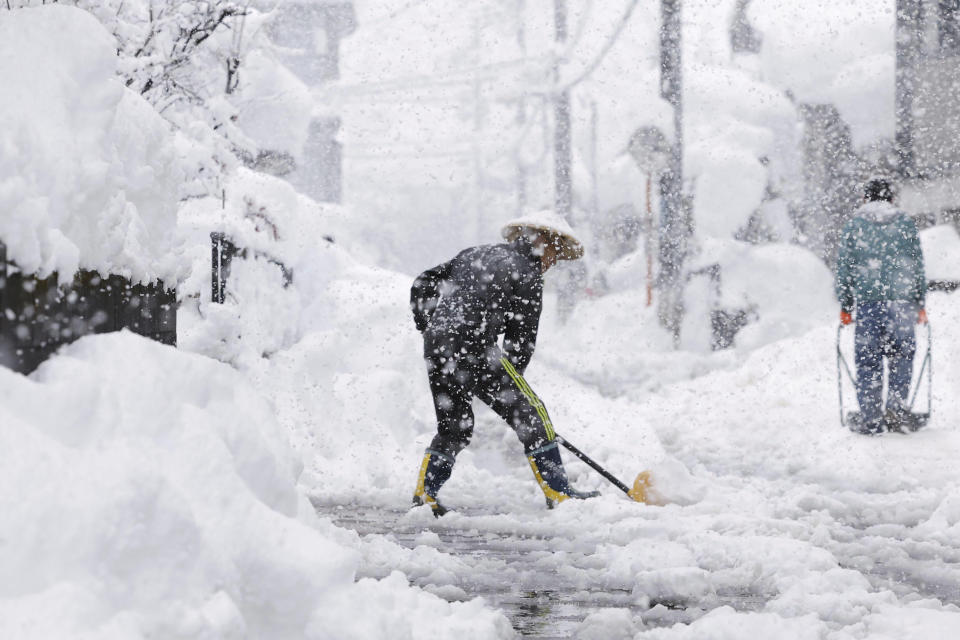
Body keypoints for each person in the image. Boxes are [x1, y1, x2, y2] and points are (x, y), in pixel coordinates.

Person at [409, 210, 599, 516]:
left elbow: (423, 282)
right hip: (475, 348)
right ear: (545, 243)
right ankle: (559, 492)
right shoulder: (527, 272)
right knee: (533, 413)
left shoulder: (474, 254)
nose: (553, 264)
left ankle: (425, 492)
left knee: (454, 427)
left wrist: (430, 327)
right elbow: (521, 342)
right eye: (555, 255)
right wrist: (510, 389)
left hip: (438, 347)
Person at [836, 178, 928, 435]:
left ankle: (871, 418)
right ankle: (896, 413)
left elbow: (845, 267)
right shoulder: (905, 224)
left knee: (868, 361)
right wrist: (919, 302)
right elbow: (916, 265)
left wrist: (845, 304)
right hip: (902, 303)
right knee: (901, 358)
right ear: (891, 199)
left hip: (868, 304)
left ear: (866, 199)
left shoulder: (854, 226)